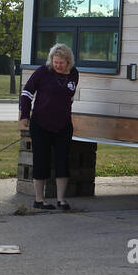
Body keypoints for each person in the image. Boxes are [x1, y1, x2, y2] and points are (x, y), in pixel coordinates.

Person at [18, 43, 79, 210]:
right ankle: (39, 200)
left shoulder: (74, 74)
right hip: (40, 125)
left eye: (61, 62)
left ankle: (61, 200)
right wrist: (24, 115)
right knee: (41, 161)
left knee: (62, 161)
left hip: (63, 126)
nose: (58, 65)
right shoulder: (42, 72)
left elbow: (69, 96)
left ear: (68, 62)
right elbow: (26, 93)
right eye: (55, 62)